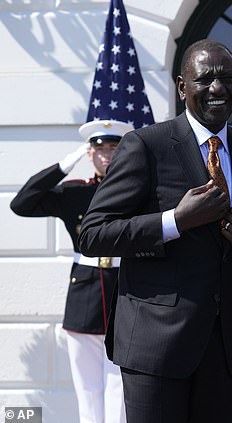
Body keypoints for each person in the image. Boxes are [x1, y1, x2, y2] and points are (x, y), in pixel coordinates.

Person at [78, 39, 232, 423]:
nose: (217, 88)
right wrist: (175, 221)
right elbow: (94, 233)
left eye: (228, 78)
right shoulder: (145, 145)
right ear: (182, 87)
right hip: (155, 349)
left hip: (228, 351)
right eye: (205, 79)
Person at [10, 119, 132, 423]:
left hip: (126, 290)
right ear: (89, 154)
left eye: (113, 148)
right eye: (99, 149)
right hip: (86, 293)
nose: (106, 155)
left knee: (120, 384)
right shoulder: (74, 193)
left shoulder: (136, 192)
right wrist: (65, 164)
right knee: (88, 388)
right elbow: (21, 203)